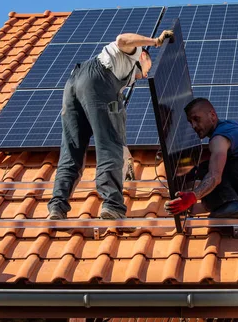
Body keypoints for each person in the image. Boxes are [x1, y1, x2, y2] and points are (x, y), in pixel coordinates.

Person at [48, 30, 173, 221]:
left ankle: (57, 206)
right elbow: (122, 39)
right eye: (148, 67)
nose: (146, 74)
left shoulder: (120, 68)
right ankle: (112, 205)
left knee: (72, 149)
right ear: (144, 56)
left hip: (73, 84)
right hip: (97, 80)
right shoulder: (134, 52)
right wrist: (155, 41)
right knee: (109, 145)